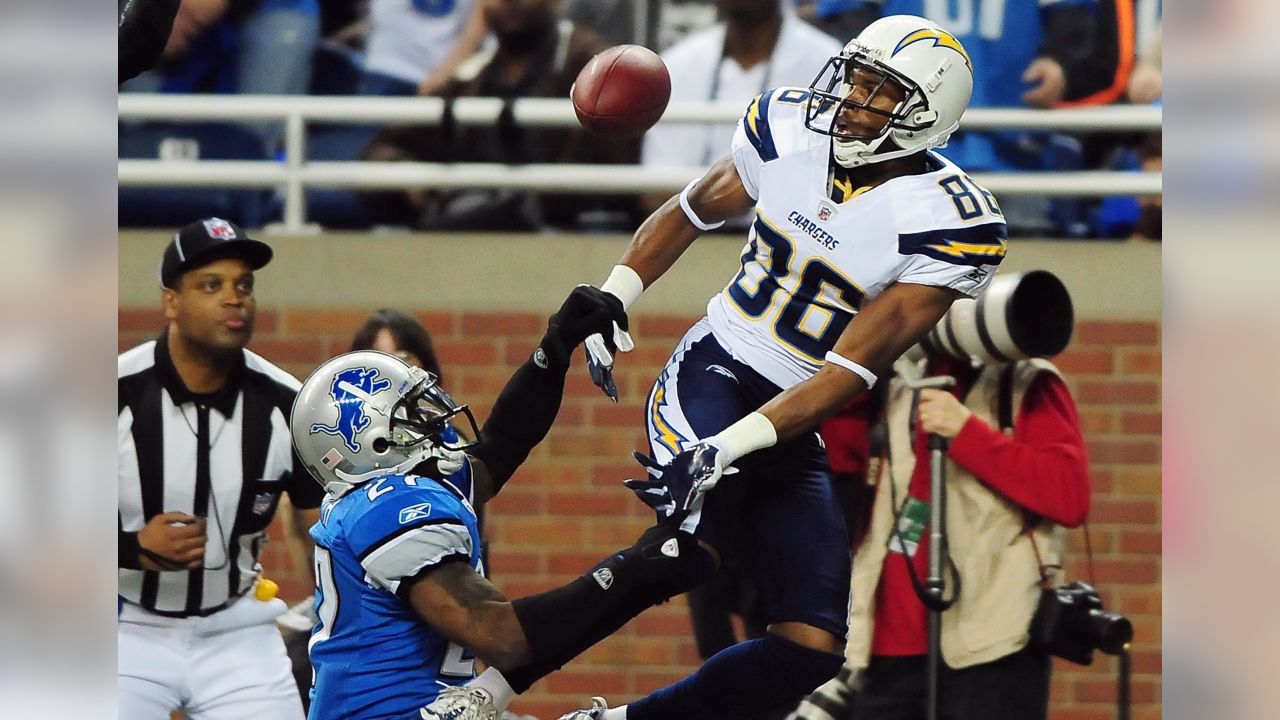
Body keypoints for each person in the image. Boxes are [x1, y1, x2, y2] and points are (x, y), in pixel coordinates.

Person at [293, 285, 651, 719]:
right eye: (408, 407)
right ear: (369, 436)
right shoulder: (383, 504)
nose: (429, 412)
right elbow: (502, 637)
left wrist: (553, 351)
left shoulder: (398, 483)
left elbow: (503, 443)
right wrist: (640, 570)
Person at [790, 276, 1090, 720]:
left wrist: (967, 433)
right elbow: (837, 465)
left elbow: (1069, 497)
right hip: (886, 643)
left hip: (990, 644)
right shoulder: (902, 381)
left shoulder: (1027, 383)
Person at [118, 218, 323, 719]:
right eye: (212, 285)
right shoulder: (113, 389)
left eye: (244, 286)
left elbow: (324, 519)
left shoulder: (287, 404)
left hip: (236, 627)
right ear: (171, 301)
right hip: (121, 624)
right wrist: (132, 547)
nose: (235, 299)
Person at [362, 0, 638, 231]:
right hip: (467, 240)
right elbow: (383, 149)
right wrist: (422, 185)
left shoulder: (594, 66)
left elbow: (607, 164)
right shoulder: (470, 76)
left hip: (569, 236)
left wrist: (522, 200)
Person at [639, 0, 842, 216]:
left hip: (790, 238)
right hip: (693, 233)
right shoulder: (677, 63)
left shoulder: (830, 63)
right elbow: (656, 194)